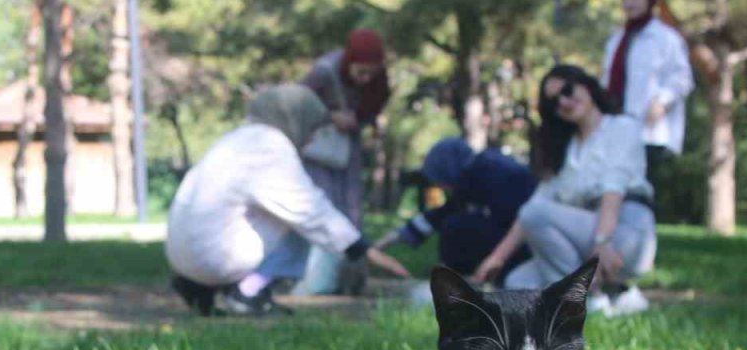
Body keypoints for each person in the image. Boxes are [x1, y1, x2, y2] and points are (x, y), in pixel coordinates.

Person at [165, 85, 409, 317]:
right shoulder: (269, 148)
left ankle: (202, 287)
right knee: (296, 218)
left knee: (266, 209)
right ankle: (248, 291)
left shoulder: (237, 140)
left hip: (183, 259)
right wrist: (362, 250)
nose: (312, 138)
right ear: (294, 119)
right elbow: (310, 210)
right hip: (212, 259)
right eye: (313, 129)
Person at [474, 65, 657, 315]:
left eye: (568, 90)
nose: (564, 101)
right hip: (586, 237)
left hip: (624, 234)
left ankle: (583, 300)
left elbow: (613, 190)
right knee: (517, 282)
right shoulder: (565, 149)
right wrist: (497, 258)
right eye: (554, 102)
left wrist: (602, 242)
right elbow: (532, 209)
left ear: (586, 85)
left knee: (537, 216)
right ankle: (618, 295)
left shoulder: (621, 127)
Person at [291, 29, 393, 296]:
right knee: (322, 211)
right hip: (319, 152)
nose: (366, 78)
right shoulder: (324, 71)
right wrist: (331, 116)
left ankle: (350, 281)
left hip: (348, 153)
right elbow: (297, 104)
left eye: (371, 73)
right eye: (361, 72)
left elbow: (374, 106)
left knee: (351, 215)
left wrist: (360, 119)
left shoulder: (378, 79)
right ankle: (313, 282)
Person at [374, 137, 536, 286]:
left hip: (525, 244)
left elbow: (513, 219)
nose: (439, 185)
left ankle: (458, 279)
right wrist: (381, 244)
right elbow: (437, 216)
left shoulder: (491, 174)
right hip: (520, 236)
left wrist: (495, 259)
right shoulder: (474, 174)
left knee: (455, 227)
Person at [601, 0, 693, 196]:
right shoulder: (616, 40)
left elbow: (682, 79)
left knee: (641, 192)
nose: (629, 3)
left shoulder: (667, 39)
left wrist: (662, 101)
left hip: (648, 131)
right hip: (614, 126)